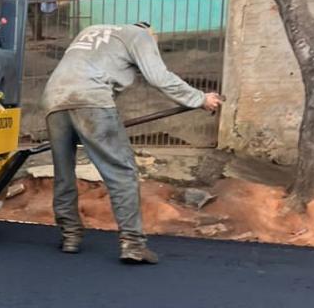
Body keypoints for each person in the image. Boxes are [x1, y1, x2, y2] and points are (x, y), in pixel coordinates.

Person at [41, 22, 223, 264]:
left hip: (53, 99)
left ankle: (70, 237)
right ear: (150, 34)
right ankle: (133, 244)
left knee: (64, 174)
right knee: (122, 172)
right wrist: (199, 99)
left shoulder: (93, 31)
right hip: (91, 98)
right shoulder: (140, 36)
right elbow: (159, 77)